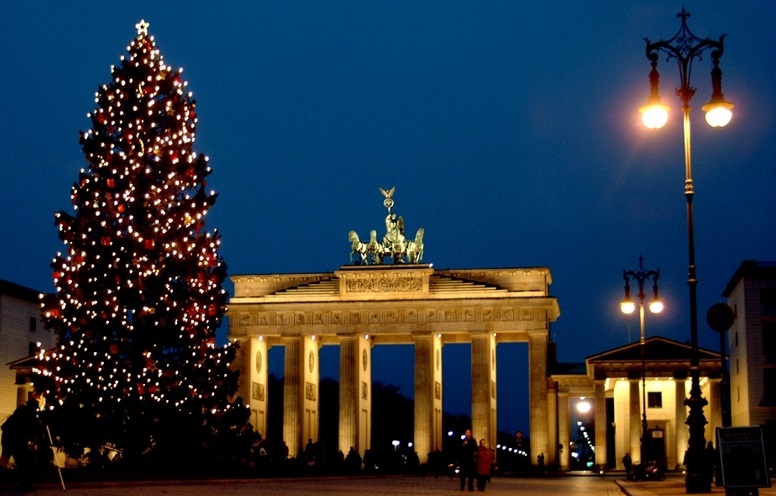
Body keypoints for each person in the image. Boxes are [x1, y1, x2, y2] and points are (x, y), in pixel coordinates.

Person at [1, 398, 42, 492]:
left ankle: (18, 484)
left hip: (8, 440)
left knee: (5, 460)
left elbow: (4, 427)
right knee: (25, 463)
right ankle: (25, 485)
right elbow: (31, 430)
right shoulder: (28, 415)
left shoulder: (18, 413)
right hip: (16, 441)